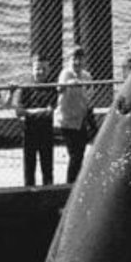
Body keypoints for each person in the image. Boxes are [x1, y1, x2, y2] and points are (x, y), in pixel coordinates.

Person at [13, 53, 55, 186]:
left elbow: (53, 111)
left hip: (46, 131)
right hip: (29, 131)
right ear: (32, 69)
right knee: (29, 166)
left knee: (47, 165)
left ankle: (48, 192)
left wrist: (31, 112)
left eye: (43, 69)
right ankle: (29, 192)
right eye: (37, 68)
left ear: (49, 70)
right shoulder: (26, 89)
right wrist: (41, 111)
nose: (40, 72)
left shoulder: (52, 88)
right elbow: (19, 111)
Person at [55, 45, 94, 184]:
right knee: (74, 155)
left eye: (80, 60)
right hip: (67, 121)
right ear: (69, 60)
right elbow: (59, 89)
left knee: (80, 154)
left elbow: (89, 98)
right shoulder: (65, 74)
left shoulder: (87, 76)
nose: (77, 63)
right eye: (74, 59)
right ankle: (70, 183)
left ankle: (76, 181)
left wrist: (91, 122)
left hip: (80, 120)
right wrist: (68, 84)